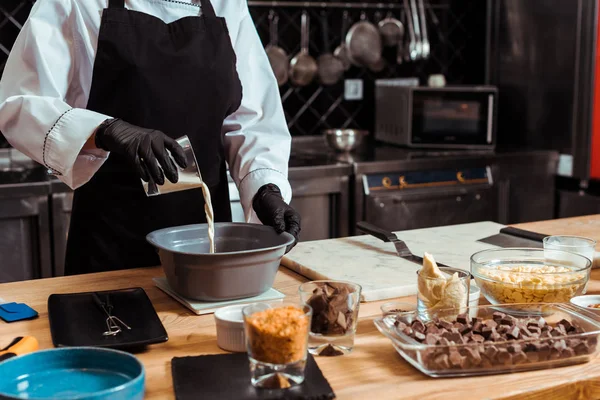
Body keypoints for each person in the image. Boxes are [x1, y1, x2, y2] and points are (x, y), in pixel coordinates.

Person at [0, 0, 301, 275]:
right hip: (113, 243)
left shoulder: (227, 5)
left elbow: (251, 120)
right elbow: (20, 103)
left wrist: (265, 188)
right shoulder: (76, 3)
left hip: (208, 242)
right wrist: (107, 130)